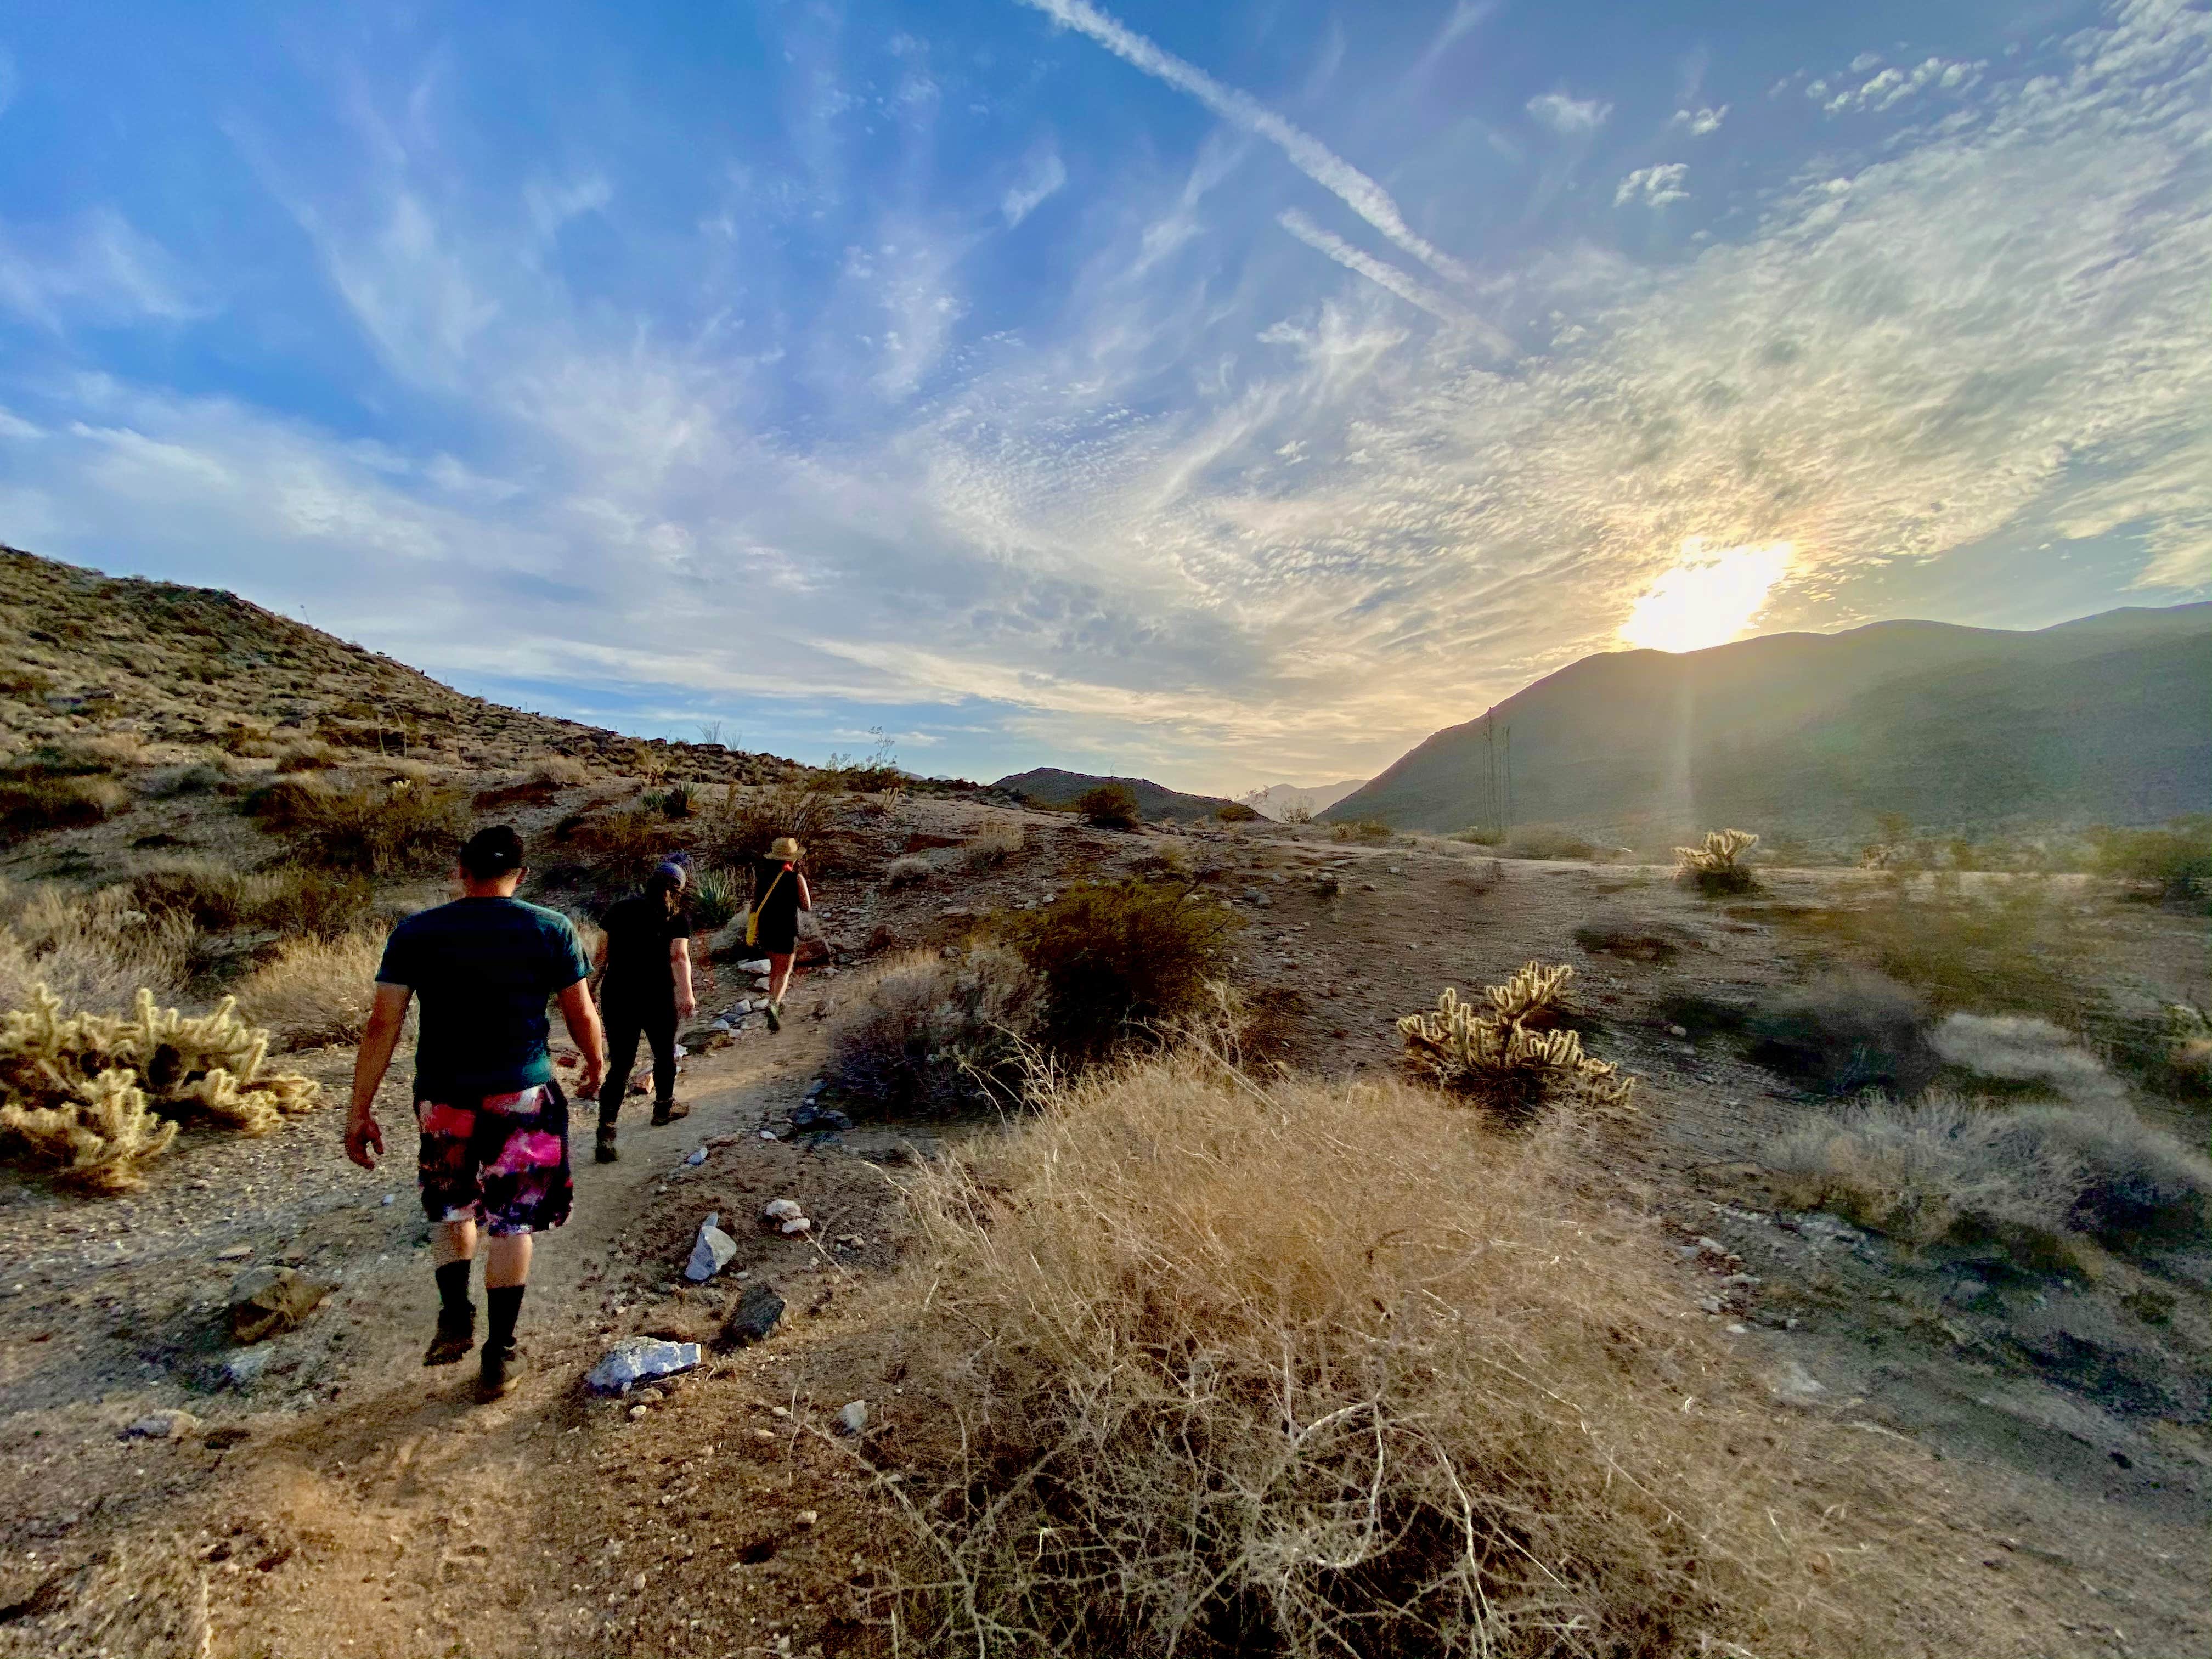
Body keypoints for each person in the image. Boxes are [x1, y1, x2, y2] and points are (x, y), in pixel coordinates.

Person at [345, 826, 605, 1403]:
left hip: (443, 1098)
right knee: (513, 1222)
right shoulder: (551, 928)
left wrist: (359, 1110)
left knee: (452, 1203)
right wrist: (596, 1063)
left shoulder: (417, 932)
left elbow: (382, 1023)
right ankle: (500, 1354)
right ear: (523, 874)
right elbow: (581, 1011)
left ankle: (455, 1311)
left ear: (460, 871)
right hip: (523, 1097)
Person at [591, 864, 697, 1163]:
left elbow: (603, 955)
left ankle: (607, 1130)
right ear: (679, 889)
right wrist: (686, 994)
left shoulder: (620, 910)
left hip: (618, 994)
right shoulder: (676, 918)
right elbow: (679, 957)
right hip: (658, 995)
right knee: (664, 1053)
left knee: (621, 1064)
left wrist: (590, 987)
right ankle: (664, 1107)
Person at [748, 835, 815, 1031]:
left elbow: (755, 904)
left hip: (766, 930)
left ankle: (774, 999)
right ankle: (774, 1005)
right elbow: (806, 906)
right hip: (787, 930)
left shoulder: (762, 877)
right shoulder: (796, 878)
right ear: (792, 859)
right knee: (784, 971)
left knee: (774, 968)